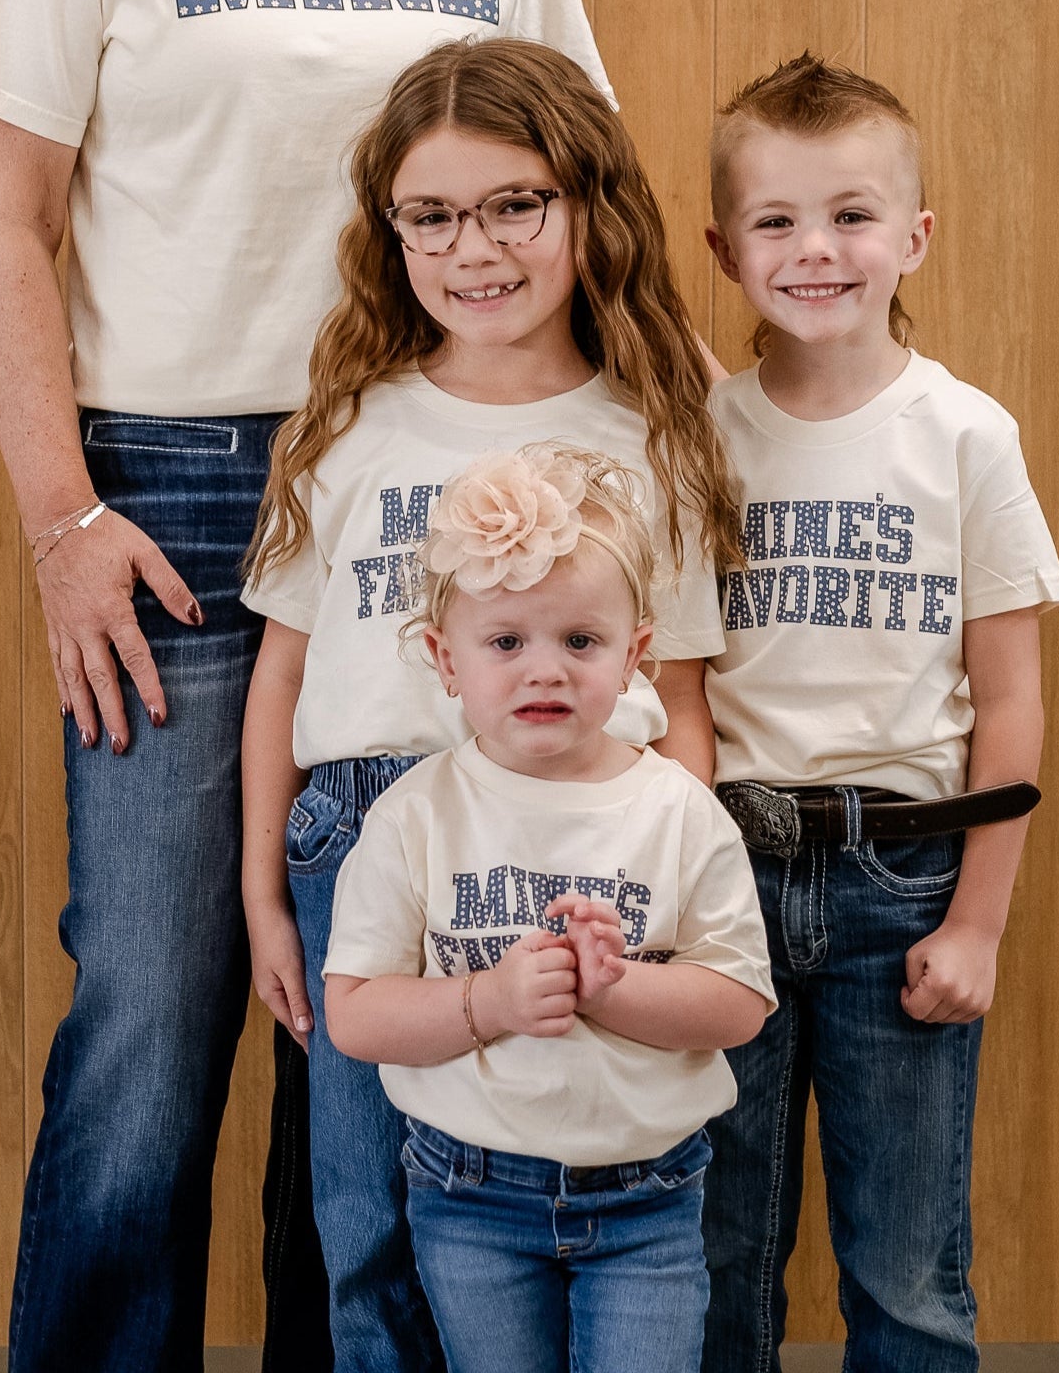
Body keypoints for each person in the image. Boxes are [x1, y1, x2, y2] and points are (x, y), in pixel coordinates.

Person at [0, 0, 610, 1370]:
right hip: (170, 495)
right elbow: (2, 213)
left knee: (373, 1015)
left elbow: (576, 194)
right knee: (151, 1014)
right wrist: (62, 519)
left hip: (432, 492)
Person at [239, 38, 740, 1369]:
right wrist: (261, 897)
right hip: (361, 831)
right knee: (369, 1224)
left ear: (588, 205)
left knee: (551, 1194)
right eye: (433, 215)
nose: (475, 248)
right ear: (391, 231)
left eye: (515, 204)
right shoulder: (351, 421)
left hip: (577, 835)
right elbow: (283, 671)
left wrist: (659, 865)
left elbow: (679, 699)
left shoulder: (653, 430)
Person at [694, 55, 1059, 1373]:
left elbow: (1009, 700)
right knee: (715, 1250)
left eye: (851, 215)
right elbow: (674, 682)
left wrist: (977, 923)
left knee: (906, 1265)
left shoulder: (965, 435)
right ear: (724, 250)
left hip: (903, 881)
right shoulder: (697, 437)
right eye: (776, 220)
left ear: (914, 236)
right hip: (726, 873)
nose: (815, 249)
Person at [321, 444, 775, 1373]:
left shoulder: (681, 811)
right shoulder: (413, 817)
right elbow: (355, 1014)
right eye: (506, 643)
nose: (545, 672)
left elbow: (739, 1006)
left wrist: (612, 990)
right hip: (470, 1196)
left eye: (579, 641)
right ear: (445, 659)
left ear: (635, 656)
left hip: (649, 1203)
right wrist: (489, 1002)